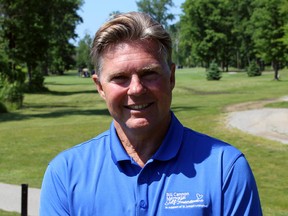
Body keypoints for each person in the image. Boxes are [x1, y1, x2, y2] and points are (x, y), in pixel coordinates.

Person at [40, 12, 262, 215]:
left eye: (149, 74)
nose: (136, 89)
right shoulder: (65, 174)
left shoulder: (226, 169)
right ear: (100, 87)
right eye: (120, 78)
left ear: (171, 77)